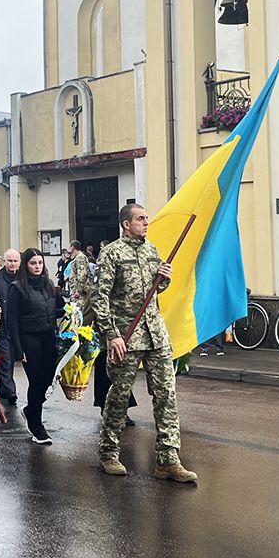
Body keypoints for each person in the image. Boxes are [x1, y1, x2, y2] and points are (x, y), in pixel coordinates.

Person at [93, 204, 196, 482]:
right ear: (126, 224)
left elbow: (155, 289)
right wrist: (112, 334)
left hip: (155, 334)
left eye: (147, 218)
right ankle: (108, 453)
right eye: (141, 219)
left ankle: (168, 460)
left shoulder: (152, 250)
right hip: (127, 336)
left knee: (166, 395)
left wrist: (163, 279)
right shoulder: (111, 253)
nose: (146, 222)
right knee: (119, 395)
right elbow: (100, 297)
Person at [4, 248, 65, 444]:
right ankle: (37, 427)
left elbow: (55, 309)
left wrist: (67, 309)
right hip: (28, 338)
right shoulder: (17, 288)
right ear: (26, 265)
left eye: (40, 262)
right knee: (36, 381)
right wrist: (17, 349)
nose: (37, 266)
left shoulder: (48, 284)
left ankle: (31, 410)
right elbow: (11, 320)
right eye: (33, 263)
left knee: (48, 380)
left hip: (48, 336)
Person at [70, 240, 137, 418]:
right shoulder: (98, 288)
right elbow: (88, 312)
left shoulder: (124, 287)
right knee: (105, 375)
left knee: (123, 376)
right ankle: (105, 407)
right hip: (105, 341)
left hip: (124, 337)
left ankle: (122, 410)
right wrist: (81, 335)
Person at [0, 248, 21, 405]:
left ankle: (3, 389)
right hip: (1, 326)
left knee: (10, 358)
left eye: (15, 261)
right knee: (5, 358)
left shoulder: (22, 277)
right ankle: (11, 391)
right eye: (10, 261)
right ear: (4, 262)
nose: (12, 264)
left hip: (18, 326)